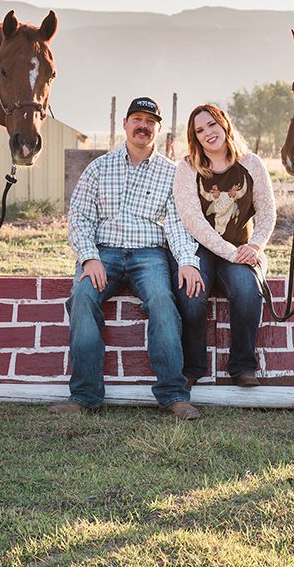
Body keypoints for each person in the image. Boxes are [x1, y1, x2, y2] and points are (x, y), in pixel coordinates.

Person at [51, 96, 203, 420]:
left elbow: (177, 225)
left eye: (150, 121)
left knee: (163, 300)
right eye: (137, 119)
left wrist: (188, 261)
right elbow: (79, 217)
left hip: (149, 254)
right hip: (103, 252)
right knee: (81, 296)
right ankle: (84, 396)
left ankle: (174, 396)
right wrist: (89, 258)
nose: (143, 126)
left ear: (158, 129)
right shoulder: (99, 168)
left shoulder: (171, 173)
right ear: (125, 124)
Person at [171, 103, 276, 387]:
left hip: (242, 248)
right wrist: (232, 253)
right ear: (195, 138)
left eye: (212, 125)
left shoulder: (251, 163)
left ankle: (242, 367)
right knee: (191, 296)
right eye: (200, 130)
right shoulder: (188, 168)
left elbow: (267, 212)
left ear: (224, 124)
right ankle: (192, 367)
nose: (208, 133)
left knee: (247, 291)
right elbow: (193, 220)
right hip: (200, 249)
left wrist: (254, 247)